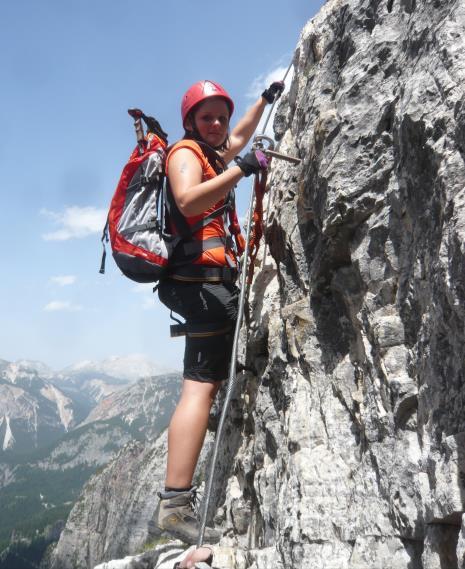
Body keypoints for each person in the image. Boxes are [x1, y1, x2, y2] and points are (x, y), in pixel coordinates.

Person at [156, 78, 284, 545]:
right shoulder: (186, 155)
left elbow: (241, 137)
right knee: (200, 388)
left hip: (204, 287)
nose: (216, 126)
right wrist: (243, 170)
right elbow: (189, 202)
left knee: (201, 385)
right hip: (202, 288)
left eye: (221, 118)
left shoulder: (212, 152)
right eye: (206, 117)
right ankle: (174, 504)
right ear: (190, 122)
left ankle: (175, 498)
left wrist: (264, 102)